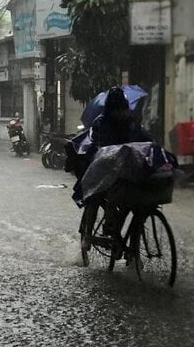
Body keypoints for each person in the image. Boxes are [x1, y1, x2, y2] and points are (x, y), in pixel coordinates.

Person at [66, 86, 155, 251]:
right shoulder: (101, 123)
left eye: (123, 108)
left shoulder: (130, 121)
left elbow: (142, 137)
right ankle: (88, 234)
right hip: (103, 169)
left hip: (126, 168)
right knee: (94, 196)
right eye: (118, 108)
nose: (122, 112)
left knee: (133, 200)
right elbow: (99, 147)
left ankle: (125, 242)